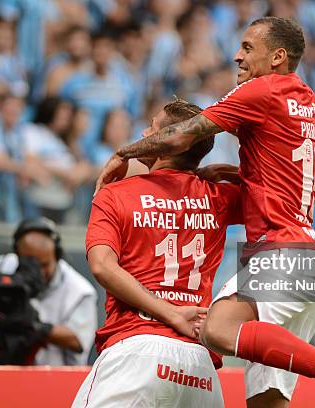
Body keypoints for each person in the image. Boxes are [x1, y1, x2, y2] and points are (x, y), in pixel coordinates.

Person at [96, 17, 315, 408]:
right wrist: (227, 172)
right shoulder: (314, 105)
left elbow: (183, 135)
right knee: (266, 402)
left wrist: (122, 153)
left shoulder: (261, 91)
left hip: (279, 258)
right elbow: (279, 170)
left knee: (219, 328)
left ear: (278, 56)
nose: (237, 56)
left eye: (247, 48)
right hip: (307, 260)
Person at [73, 100, 242, 407]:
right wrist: (228, 172)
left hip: (135, 351)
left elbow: (102, 267)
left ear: (168, 143)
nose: (144, 133)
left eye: (151, 128)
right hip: (199, 368)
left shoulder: (115, 193)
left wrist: (171, 313)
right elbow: (286, 198)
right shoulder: (219, 197)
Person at [0, 217, 98, 365]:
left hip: (54, 382)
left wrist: (34, 325)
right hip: (1, 373)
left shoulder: (80, 291)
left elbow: (77, 339)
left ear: (57, 255)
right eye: (30, 264)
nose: (39, 272)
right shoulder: (2, 267)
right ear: (17, 254)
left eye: (44, 265)